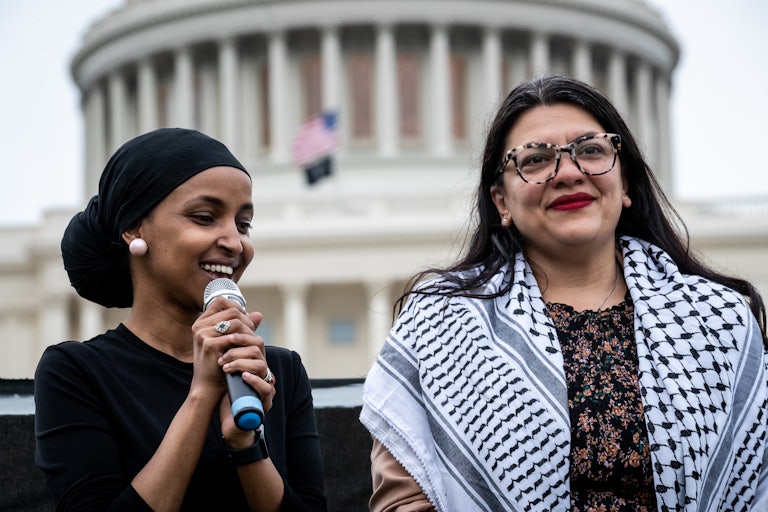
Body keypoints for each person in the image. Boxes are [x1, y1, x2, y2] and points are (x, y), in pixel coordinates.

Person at [360, 75, 768, 511]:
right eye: (536, 160)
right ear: (501, 201)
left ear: (625, 182)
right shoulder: (439, 323)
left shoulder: (717, 321)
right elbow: (405, 499)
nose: (570, 173)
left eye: (591, 150)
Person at [35, 128, 327, 511]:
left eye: (243, 224)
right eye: (205, 217)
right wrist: (202, 394)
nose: (234, 243)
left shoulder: (278, 372)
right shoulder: (75, 372)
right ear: (134, 228)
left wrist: (246, 445)